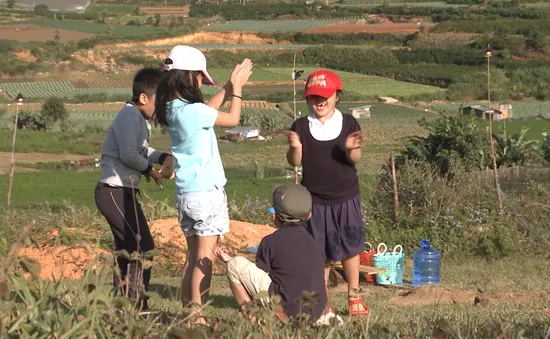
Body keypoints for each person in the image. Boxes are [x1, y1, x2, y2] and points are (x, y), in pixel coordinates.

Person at [152, 45, 253, 323]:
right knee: (205, 258)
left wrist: (228, 86)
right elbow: (232, 119)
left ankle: (188, 313)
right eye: (199, 77)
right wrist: (239, 89)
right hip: (206, 194)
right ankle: (197, 317)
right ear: (189, 77)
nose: (200, 83)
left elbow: (206, 110)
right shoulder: (193, 112)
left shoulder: (172, 109)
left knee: (192, 256)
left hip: (186, 195)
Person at [286, 69, 368, 319]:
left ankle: (354, 296)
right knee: (320, 254)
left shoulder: (349, 124)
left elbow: (355, 159)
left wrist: (352, 148)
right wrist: (295, 147)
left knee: (350, 248)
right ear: (307, 100)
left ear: (337, 96)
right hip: (315, 201)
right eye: (313, 97)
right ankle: (324, 303)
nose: (320, 101)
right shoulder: (300, 126)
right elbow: (295, 163)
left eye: (325, 96)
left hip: (346, 197)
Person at [94, 67, 174, 311]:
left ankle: (122, 308)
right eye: (159, 101)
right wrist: (149, 170)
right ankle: (136, 308)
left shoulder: (137, 118)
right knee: (143, 249)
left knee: (128, 249)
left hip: (121, 192)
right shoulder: (130, 116)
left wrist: (162, 156)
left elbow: (139, 150)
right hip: (114, 190)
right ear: (143, 98)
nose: (161, 108)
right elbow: (130, 154)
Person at [214, 183, 327, 325]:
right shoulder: (315, 243)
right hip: (315, 312)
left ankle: (254, 320)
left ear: (274, 216)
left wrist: (230, 260)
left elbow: (258, 278)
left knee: (234, 265)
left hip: (285, 309)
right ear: (309, 215)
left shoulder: (270, 242)